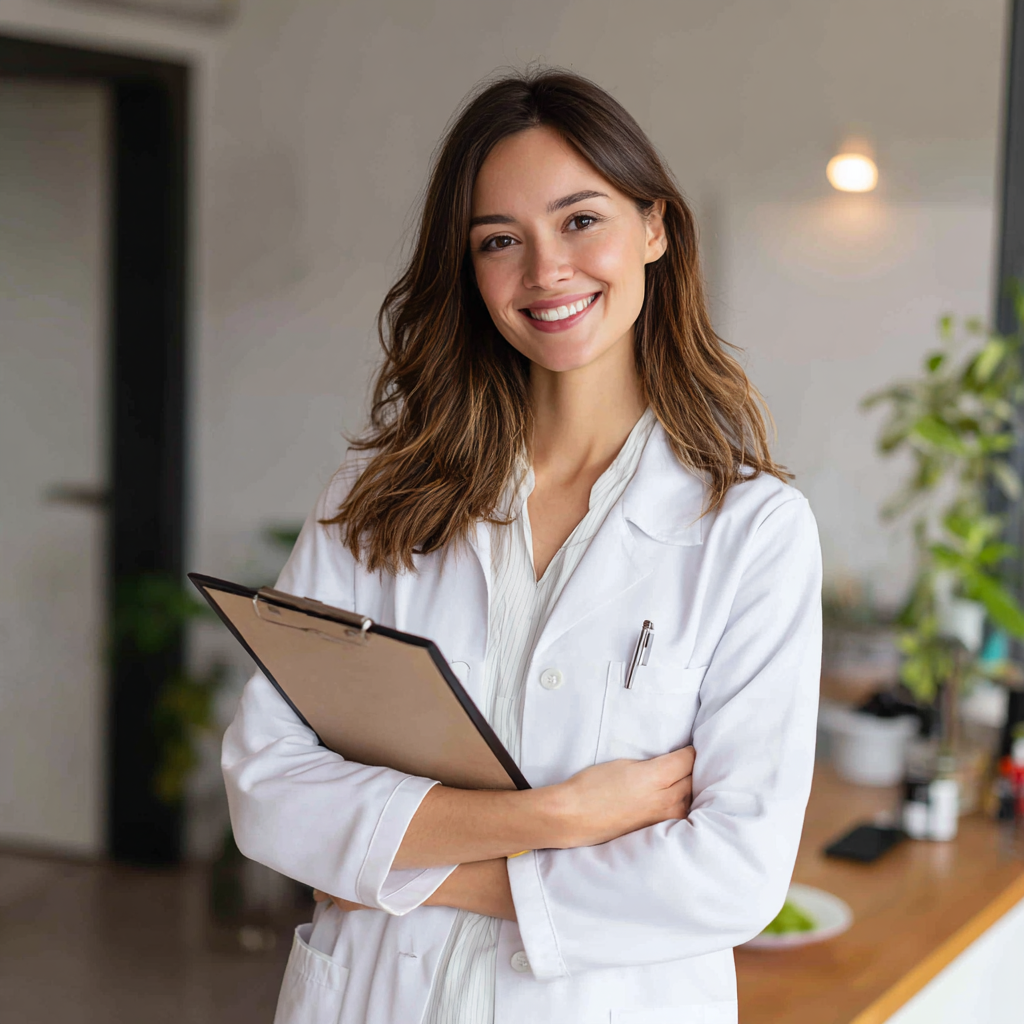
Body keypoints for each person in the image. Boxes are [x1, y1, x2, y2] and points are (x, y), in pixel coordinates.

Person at [222, 69, 822, 1024]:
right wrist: (559, 821)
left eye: (581, 220)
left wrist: (390, 867)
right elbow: (267, 791)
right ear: (470, 271)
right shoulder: (375, 498)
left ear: (656, 228)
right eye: (500, 241)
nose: (546, 270)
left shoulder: (749, 532)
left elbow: (733, 878)